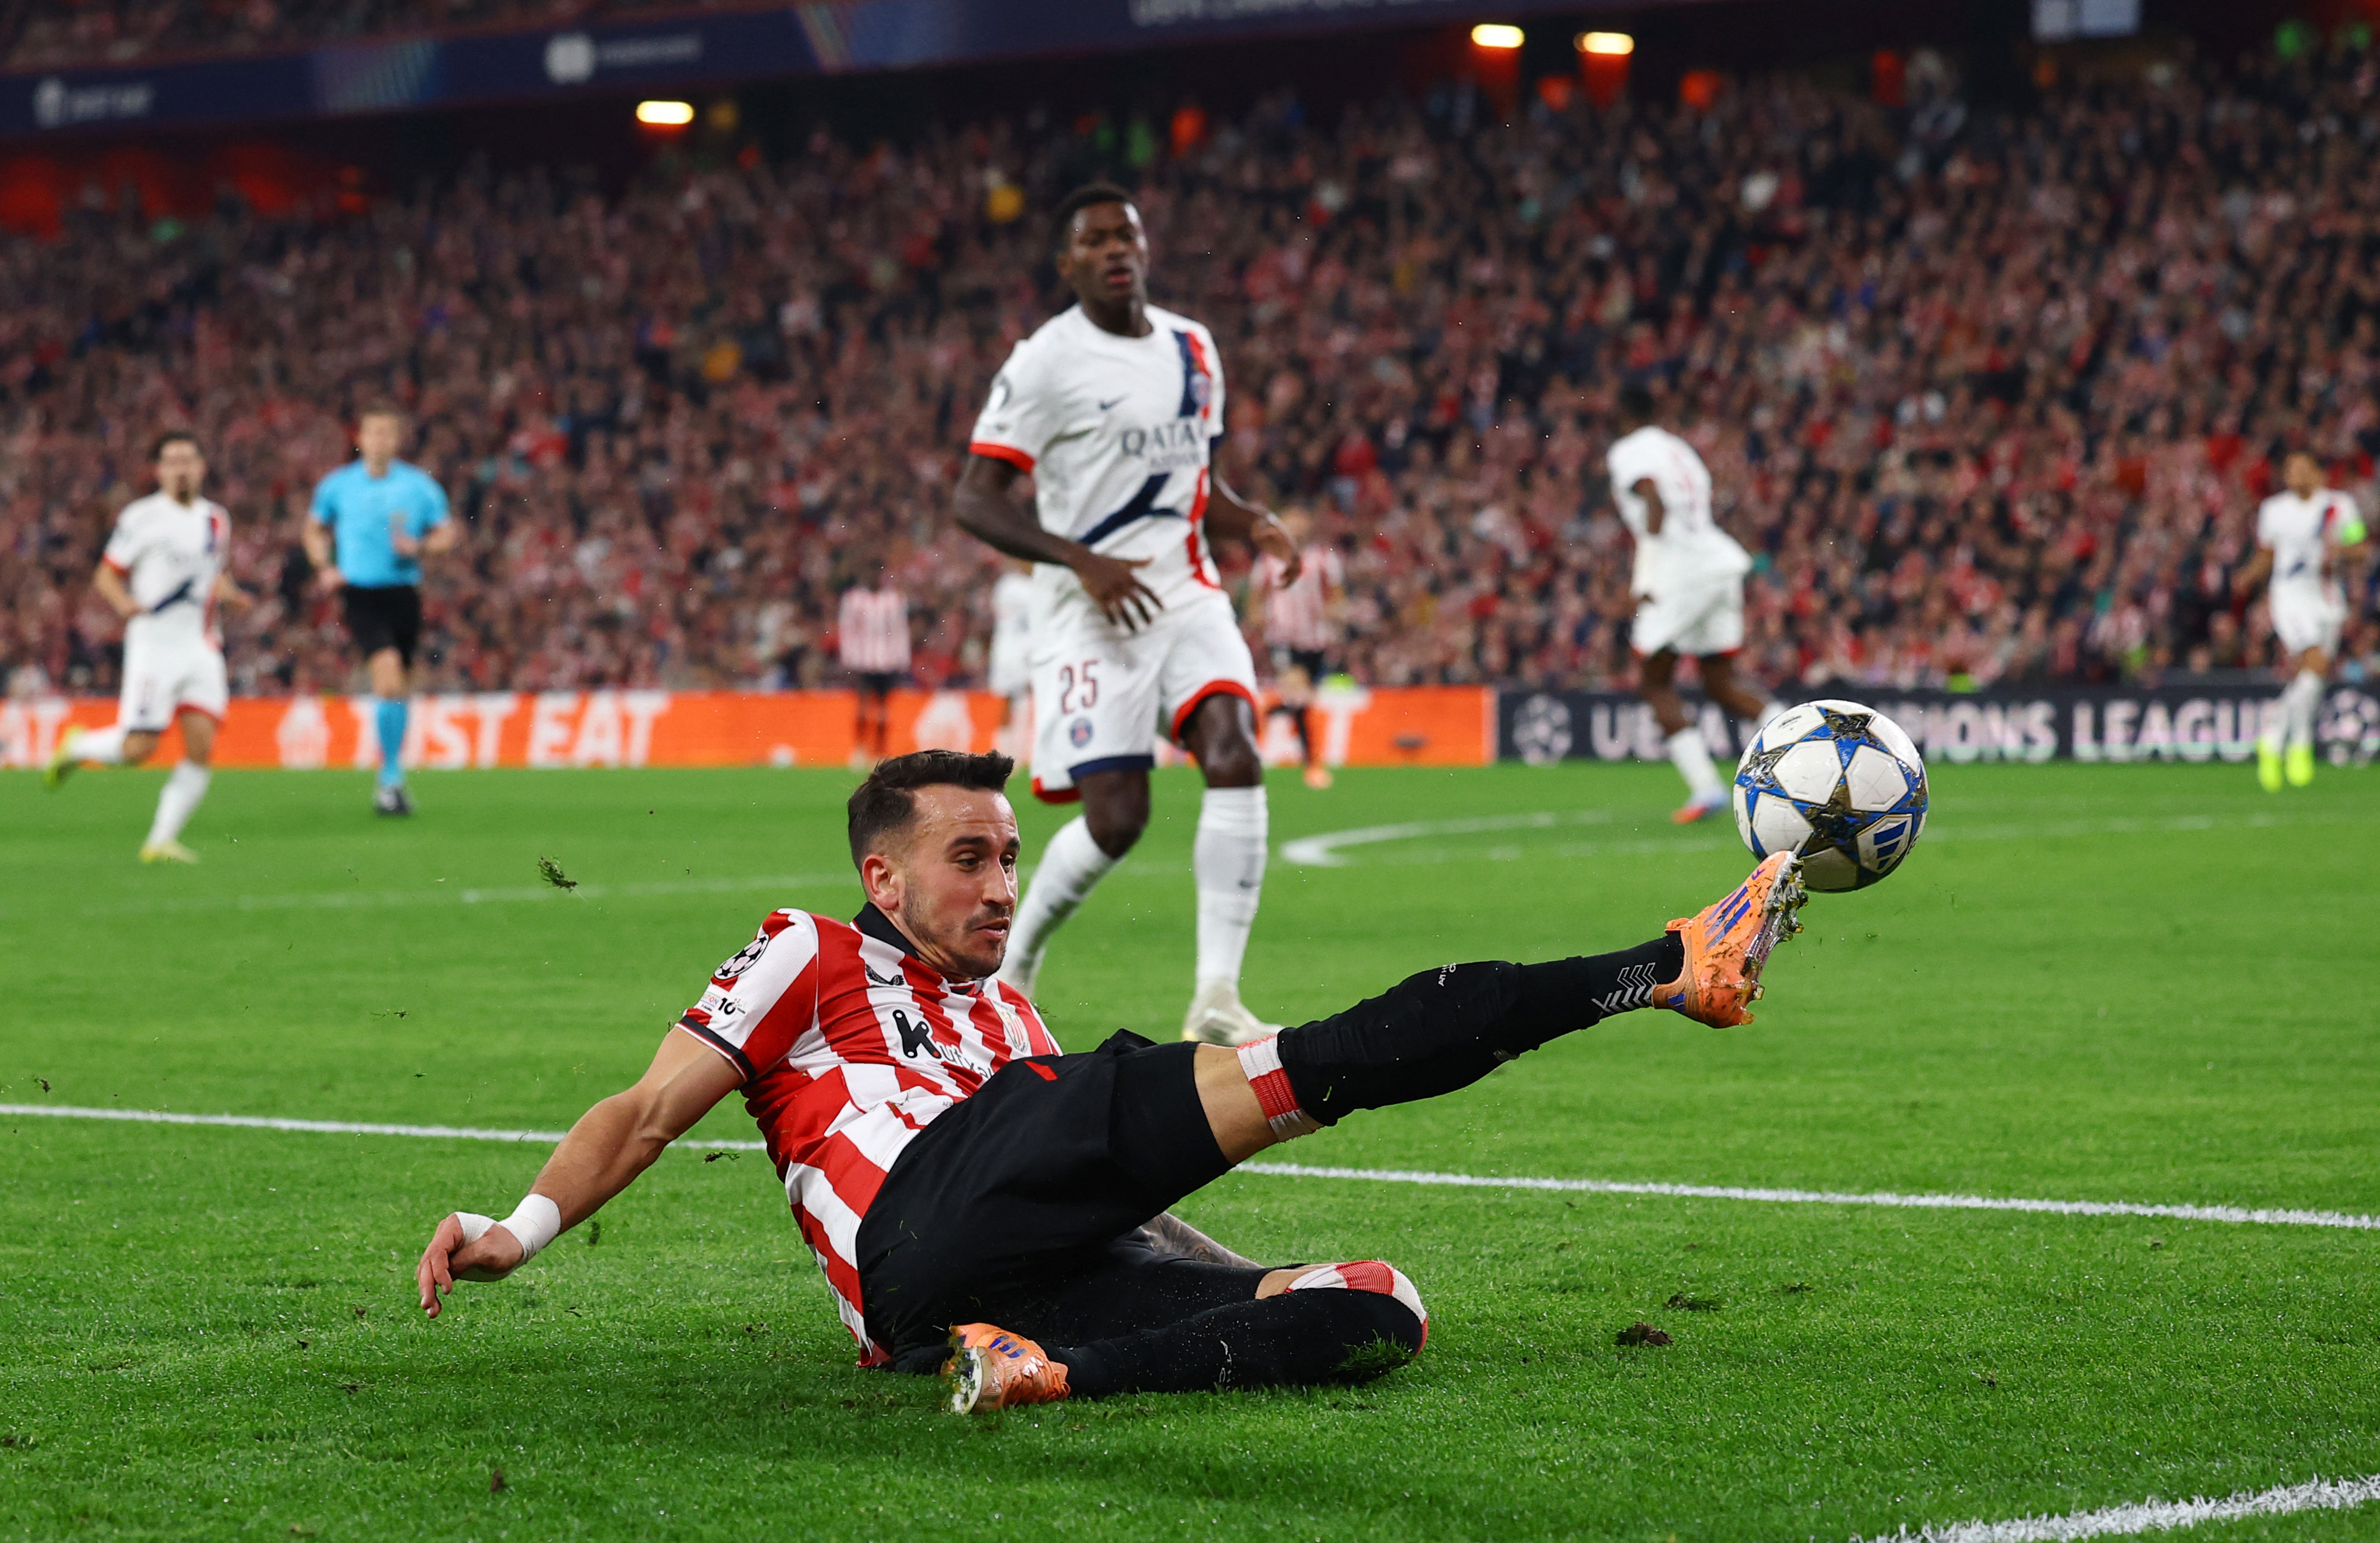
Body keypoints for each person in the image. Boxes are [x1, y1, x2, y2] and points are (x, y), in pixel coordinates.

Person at [414, 749, 1808, 1413]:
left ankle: (1044, 1377)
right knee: (1285, 1067)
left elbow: (1098, 1186)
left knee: (1376, 1308)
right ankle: (1665, 963)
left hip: (987, 1292)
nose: (1002, 882)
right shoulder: (806, 950)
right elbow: (645, 1108)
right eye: (970, 856)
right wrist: (510, 1231)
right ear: (882, 875)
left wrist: (1244, 1280)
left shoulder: (1013, 1010)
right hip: (915, 1212)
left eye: (1012, 855)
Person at [952, 183, 1304, 1046]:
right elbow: (975, 498)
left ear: (1145, 249)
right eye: (1095, 240)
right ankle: (1017, 966)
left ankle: (1216, 996)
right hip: (1087, 607)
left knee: (1234, 751)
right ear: (1067, 262)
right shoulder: (1045, 361)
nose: (1115, 251)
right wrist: (1080, 559)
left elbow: (1197, 485)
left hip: (1185, 591)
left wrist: (1250, 521)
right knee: (1118, 819)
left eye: (1126, 235)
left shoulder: (1194, 348)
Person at [43, 432, 248, 861]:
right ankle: (77, 747)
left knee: (201, 744)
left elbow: (212, 574)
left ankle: (160, 840)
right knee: (139, 749)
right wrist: (124, 606)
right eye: (172, 461)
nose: (182, 468)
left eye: (189, 459)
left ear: (202, 467)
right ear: (159, 470)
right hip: (155, 646)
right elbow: (107, 573)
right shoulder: (143, 517)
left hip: (201, 645)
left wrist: (230, 593)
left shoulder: (217, 519)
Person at [1606, 386, 1785, 823]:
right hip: (1719, 560)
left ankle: (1706, 788)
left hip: (1680, 571)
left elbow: (1652, 497)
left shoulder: (1628, 450)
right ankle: (1804, 739)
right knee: (1719, 685)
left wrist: (1645, 574)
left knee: (1654, 681)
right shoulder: (1678, 448)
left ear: (1622, 413)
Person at [304, 405, 455, 816]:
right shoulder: (338, 486)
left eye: (389, 433)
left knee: (400, 687)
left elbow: (447, 532)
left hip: (404, 592)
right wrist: (325, 567)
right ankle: (389, 780)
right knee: (387, 678)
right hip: (361, 593)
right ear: (360, 439)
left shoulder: (419, 486)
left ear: (397, 440)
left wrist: (421, 547)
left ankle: (392, 776)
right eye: (374, 433)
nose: (381, 440)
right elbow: (314, 529)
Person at [2238, 451, 2370, 790]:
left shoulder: (2339, 506)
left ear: (2316, 472)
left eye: (2300, 468)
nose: (2293, 475)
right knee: (2313, 662)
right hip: (2290, 596)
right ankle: (2299, 745)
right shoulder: (2273, 510)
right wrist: (2249, 575)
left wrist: (2341, 551)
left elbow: (2361, 547)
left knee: (2313, 677)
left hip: (2326, 597)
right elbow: (2267, 552)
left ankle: (2273, 738)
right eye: (2289, 469)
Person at [1252, 507, 1345, 789]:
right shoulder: (1268, 564)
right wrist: (1262, 620)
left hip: (1315, 640)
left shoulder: (1324, 560)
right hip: (1282, 639)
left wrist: (1332, 614)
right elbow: (1255, 604)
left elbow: (1337, 599)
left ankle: (1259, 720)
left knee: (1302, 700)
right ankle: (1313, 766)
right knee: (1299, 694)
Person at [837, 573, 911, 769]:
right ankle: (860, 749)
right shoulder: (854, 600)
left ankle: (880, 750)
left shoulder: (894, 600)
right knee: (862, 705)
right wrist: (848, 658)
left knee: (883, 708)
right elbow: (848, 628)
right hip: (862, 660)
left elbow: (899, 630)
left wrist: (902, 658)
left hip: (886, 661)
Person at [987, 558, 1036, 761]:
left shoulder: (1006, 585)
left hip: (1017, 648)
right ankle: (1004, 753)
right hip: (1015, 649)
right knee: (1011, 700)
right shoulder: (1016, 586)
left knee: (1023, 700)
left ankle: (1018, 752)